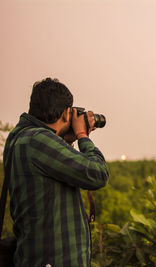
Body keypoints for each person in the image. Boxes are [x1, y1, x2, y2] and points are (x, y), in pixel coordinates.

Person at [3, 78, 109, 267]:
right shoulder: (38, 140)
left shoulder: (19, 136)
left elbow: (50, 176)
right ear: (66, 113)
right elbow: (98, 174)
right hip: (53, 259)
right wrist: (82, 136)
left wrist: (64, 140)